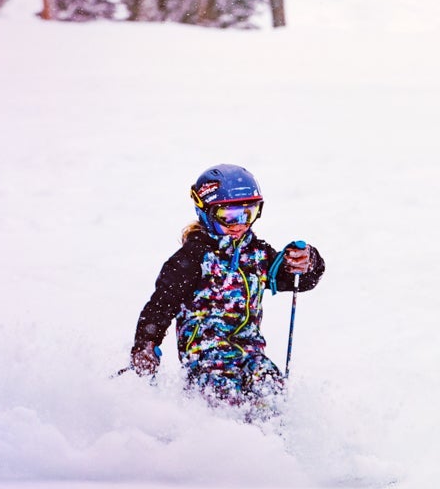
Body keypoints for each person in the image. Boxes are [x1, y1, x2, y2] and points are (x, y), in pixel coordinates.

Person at [129, 164, 325, 412]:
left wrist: (306, 263)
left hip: (251, 356)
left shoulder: (257, 255)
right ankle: (223, 444)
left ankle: (274, 444)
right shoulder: (190, 260)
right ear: (205, 212)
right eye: (228, 216)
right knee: (229, 402)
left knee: (272, 390)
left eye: (249, 213)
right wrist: (145, 345)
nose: (239, 224)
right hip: (207, 361)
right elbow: (160, 307)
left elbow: (298, 280)